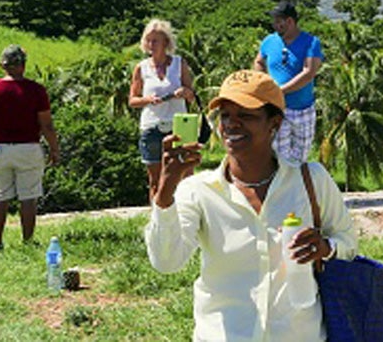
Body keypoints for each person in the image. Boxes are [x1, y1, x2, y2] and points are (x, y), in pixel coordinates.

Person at [146, 70, 357, 341]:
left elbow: (348, 243)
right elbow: (166, 262)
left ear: (274, 123)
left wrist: (325, 248)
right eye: (225, 115)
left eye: (245, 115)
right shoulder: (199, 191)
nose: (231, 124)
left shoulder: (311, 180)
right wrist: (165, 193)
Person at [0, 45, 61, 252]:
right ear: (23, 65)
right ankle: (28, 241)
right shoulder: (37, 91)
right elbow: (46, 125)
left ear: (2, 65)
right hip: (29, 148)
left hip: (0, 149)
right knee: (28, 197)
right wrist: (54, 148)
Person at [128, 19, 196, 200]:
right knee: (156, 180)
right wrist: (148, 100)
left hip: (179, 125)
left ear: (166, 42)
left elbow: (191, 94)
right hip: (152, 126)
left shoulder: (179, 64)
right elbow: (132, 100)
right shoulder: (141, 68)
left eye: (155, 41)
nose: (151, 45)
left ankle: (187, 212)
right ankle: (157, 214)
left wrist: (184, 92)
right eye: (148, 40)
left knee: (186, 175)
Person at [254, 0, 324, 163]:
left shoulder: (311, 42)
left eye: (278, 21)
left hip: (303, 110)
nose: (275, 25)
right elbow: (259, 61)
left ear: (290, 21)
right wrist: (265, 83)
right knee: (280, 158)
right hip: (278, 108)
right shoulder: (269, 41)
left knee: (300, 160)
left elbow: (309, 72)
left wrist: (280, 90)